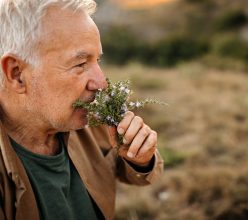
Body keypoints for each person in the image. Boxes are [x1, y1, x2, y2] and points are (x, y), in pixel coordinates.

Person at [0, 0, 163, 219]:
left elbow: (138, 174)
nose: (101, 83)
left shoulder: (89, 120)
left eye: (97, 60)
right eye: (80, 64)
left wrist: (140, 159)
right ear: (17, 73)